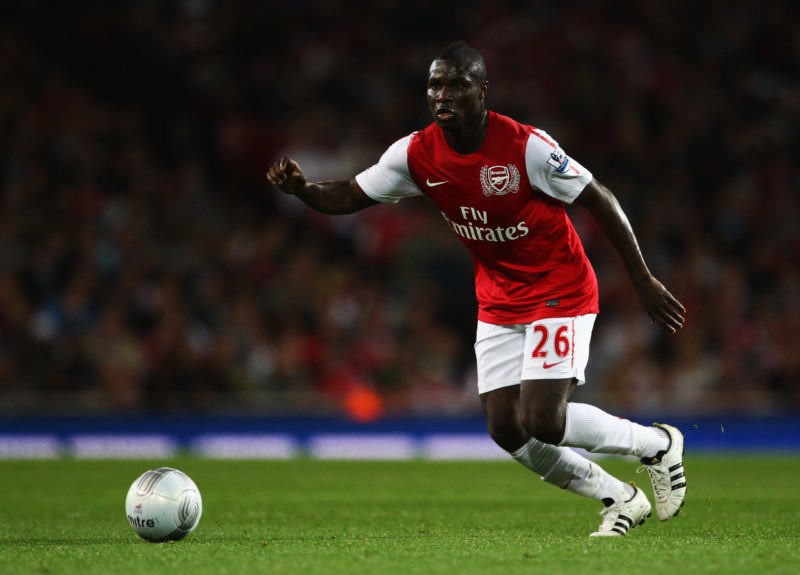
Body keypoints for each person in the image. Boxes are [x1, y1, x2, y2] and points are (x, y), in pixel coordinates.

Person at [266, 40, 687, 537]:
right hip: (498, 298)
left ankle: (658, 444)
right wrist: (303, 190)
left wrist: (642, 278)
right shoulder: (416, 155)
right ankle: (618, 497)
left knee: (543, 420)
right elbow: (350, 195)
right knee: (506, 428)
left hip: (560, 288)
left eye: (457, 85)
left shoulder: (525, 147)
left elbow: (599, 197)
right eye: (434, 85)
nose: (442, 94)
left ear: (482, 91)